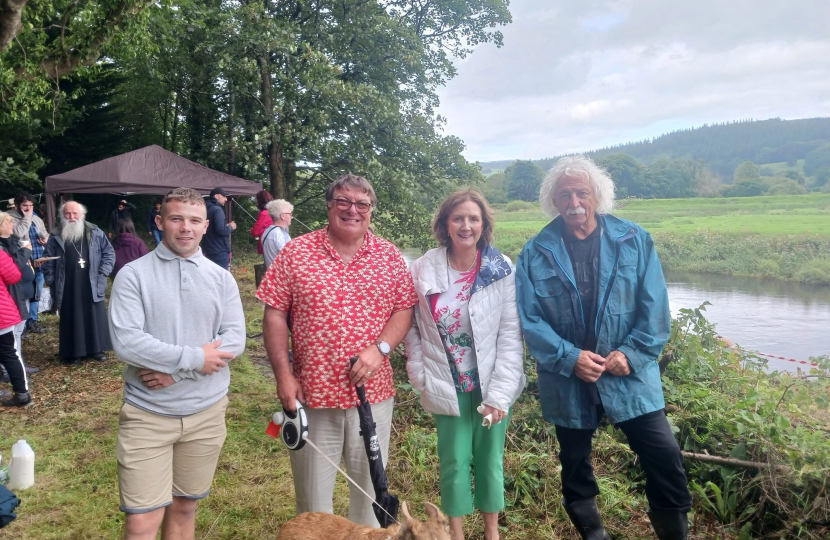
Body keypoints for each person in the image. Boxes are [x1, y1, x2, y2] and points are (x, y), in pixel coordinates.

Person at [515, 156, 691, 540]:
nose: (574, 200)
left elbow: (655, 308)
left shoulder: (634, 240)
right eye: (565, 194)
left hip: (629, 375)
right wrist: (569, 357)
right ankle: (595, 536)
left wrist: (633, 353)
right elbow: (530, 320)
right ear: (554, 201)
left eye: (582, 192)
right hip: (568, 379)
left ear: (597, 195)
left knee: (664, 456)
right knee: (575, 465)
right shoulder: (534, 252)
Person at [257, 174, 416, 526]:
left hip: (372, 397)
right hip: (311, 395)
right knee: (314, 508)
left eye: (362, 204)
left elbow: (405, 308)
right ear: (329, 205)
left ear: (371, 210)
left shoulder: (388, 256)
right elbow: (274, 315)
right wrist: (283, 376)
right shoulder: (296, 252)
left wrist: (381, 348)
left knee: (371, 500)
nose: (352, 210)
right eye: (343, 201)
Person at [109, 187, 245, 540]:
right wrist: (196, 358)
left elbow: (234, 340)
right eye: (176, 219)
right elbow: (127, 342)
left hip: (206, 414)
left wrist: (176, 370)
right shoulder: (133, 275)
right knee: (142, 521)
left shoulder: (221, 278)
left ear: (205, 227)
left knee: (185, 507)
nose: (186, 227)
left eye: (195, 220)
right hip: (147, 415)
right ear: (159, 222)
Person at [404, 189, 525, 540]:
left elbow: (510, 336)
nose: (466, 225)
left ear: (484, 224)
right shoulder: (424, 268)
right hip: (446, 384)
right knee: (454, 462)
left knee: (489, 461)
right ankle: (455, 534)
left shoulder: (500, 269)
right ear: (445, 223)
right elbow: (411, 326)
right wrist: (420, 373)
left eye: (474, 218)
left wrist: (500, 395)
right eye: (458, 218)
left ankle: (491, 533)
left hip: (490, 385)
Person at [42, 201, 116, 365]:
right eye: (68, 214)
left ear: (82, 214)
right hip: (67, 284)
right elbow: (47, 260)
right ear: (63, 215)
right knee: (71, 317)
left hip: (92, 281)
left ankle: (97, 350)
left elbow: (109, 252)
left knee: (94, 315)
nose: (71, 217)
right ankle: (73, 352)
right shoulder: (56, 235)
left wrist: (103, 272)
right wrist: (52, 280)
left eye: (75, 213)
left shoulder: (94, 231)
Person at [0, 212, 40, 377]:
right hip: (10, 295)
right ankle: (9, 369)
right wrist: (25, 253)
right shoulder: (2, 247)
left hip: (20, 291)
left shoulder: (12, 242)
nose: (12, 225)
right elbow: (12, 269)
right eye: (9, 222)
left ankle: (18, 364)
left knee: (18, 331)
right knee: (10, 334)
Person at [8, 192, 49, 335]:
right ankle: (21, 325)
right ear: (18, 205)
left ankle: (32, 321)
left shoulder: (36, 218)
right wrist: (26, 218)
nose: (28, 208)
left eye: (31, 205)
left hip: (39, 260)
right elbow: (18, 233)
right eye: (25, 205)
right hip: (22, 263)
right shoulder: (9, 218)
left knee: (36, 293)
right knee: (22, 294)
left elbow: (45, 233)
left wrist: (46, 241)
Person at [0, 246, 31, 407]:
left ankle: (22, 395)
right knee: (10, 354)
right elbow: (13, 276)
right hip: (2, 312)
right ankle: (22, 394)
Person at [201, 188, 236, 269]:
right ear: (216, 196)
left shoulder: (205, 209)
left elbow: (211, 227)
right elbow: (221, 230)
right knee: (220, 278)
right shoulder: (217, 210)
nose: (226, 199)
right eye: (224, 196)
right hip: (219, 250)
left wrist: (225, 226)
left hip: (207, 249)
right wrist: (231, 227)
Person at [261, 199, 293, 269]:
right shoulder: (278, 233)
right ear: (283, 216)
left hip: (272, 273)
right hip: (281, 275)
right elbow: (289, 257)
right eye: (290, 214)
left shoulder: (268, 230)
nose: (291, 217)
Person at [250, 189, 274, 255]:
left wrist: (252, 230)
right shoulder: (274, 212)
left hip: (267, 244)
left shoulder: (264, 213)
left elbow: (255, 232)